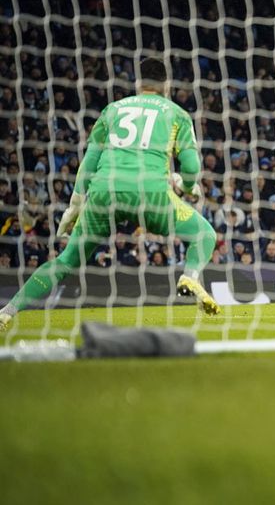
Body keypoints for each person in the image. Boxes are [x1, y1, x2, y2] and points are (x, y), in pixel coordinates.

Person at [0, 58, 220, 330]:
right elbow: (191, 167)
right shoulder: (176, 114)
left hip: (103, 193)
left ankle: (8, 311)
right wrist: (188, 187)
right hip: (149, 192)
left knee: (66, 260)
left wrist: (74, 206)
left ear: (138, 83)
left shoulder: (112, 110)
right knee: (205, 234)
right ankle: (190, 276)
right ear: (166, 85)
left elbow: (89, 162)